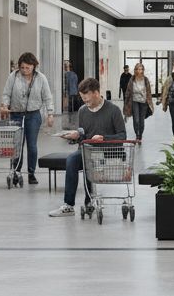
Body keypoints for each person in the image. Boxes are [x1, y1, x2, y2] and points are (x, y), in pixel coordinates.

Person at [50, 78, 127, 217]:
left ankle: (89, 201)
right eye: (82, 98)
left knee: (89, 160)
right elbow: (84, 135)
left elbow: (122, 136)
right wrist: (75, 136)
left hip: (108, 152)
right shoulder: (82, 111)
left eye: (87, 98)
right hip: (88, 150)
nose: (85, 102)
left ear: (96, 93)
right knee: (72, 160)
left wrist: (104, 138)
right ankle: (69, 205)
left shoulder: (114, 110)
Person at [0, 51, 55, 185]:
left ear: (34, 66)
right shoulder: (13, 76)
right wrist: (4, 105)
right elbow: (6, 94)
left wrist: (50, 114)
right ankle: (16, 172)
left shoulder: (41, 78)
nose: (24, 70)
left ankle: (31, 173)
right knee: (17, 145)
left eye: (27, 68)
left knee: (32, 145)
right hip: (16, 114)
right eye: (22, 67)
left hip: (33, 115)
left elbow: (47, 97)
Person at [124, 62, 154, 142]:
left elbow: (148, 92)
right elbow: (128, 91)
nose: (139, 71)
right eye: (137, 69)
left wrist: (150, 103)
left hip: (143, 102)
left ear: (143, 70)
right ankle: (137, 134)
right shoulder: (132, 79)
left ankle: (140, 135)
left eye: (140, 69)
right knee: (136, 120)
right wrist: (126, 102)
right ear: (135, 70)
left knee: (141, 120)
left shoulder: (145, 79)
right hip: (134, 101)